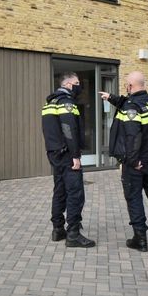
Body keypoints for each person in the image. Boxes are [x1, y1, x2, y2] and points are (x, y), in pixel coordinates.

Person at [99, 71, 148, 252]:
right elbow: (130, 103)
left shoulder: (132, 107)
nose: (126, 87)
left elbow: (133, 136)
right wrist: (112, 98)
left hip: (137, 162)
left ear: (130, 86)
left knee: (134, 198)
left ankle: (140, 238)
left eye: (126, 84)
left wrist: (131, 161)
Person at [41, 72, 96, 248]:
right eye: (77, 83)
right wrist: (75, 156)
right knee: (75, 193)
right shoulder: (66, 103)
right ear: (69, 84)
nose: (80, 86)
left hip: (54, 153)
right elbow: (68, 129)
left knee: (60, 190)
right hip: (67, 155)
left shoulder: (50, 102)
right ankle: (73, 233)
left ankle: (58, 229)